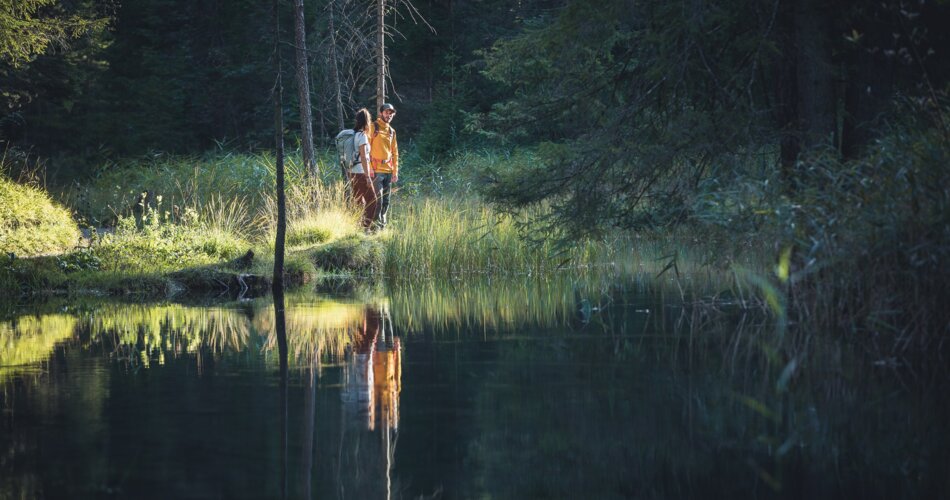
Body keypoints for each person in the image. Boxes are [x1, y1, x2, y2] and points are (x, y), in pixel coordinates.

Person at [370, 103, 399, 229]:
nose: (389, 115)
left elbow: (395, 152)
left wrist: (395, 172)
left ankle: (382, 226)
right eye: (387, 112)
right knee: (378, 200)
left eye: (391, 113)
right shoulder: (373, 127)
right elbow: (365, 149)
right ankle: (375, 226)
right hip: (376, 171)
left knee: (386, 201)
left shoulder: (392, 131)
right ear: (381, 113)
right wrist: (369, 168)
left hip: (388, 171)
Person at [348, 108, 377, 230]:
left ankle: (357, 227)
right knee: (373, 200)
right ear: (366, 121)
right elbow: (364, 157)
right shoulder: (362, 136)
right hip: (360, 172)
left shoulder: (353, 135)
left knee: (358, 201)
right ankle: (366, 228)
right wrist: (367, 177)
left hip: (352, 172)